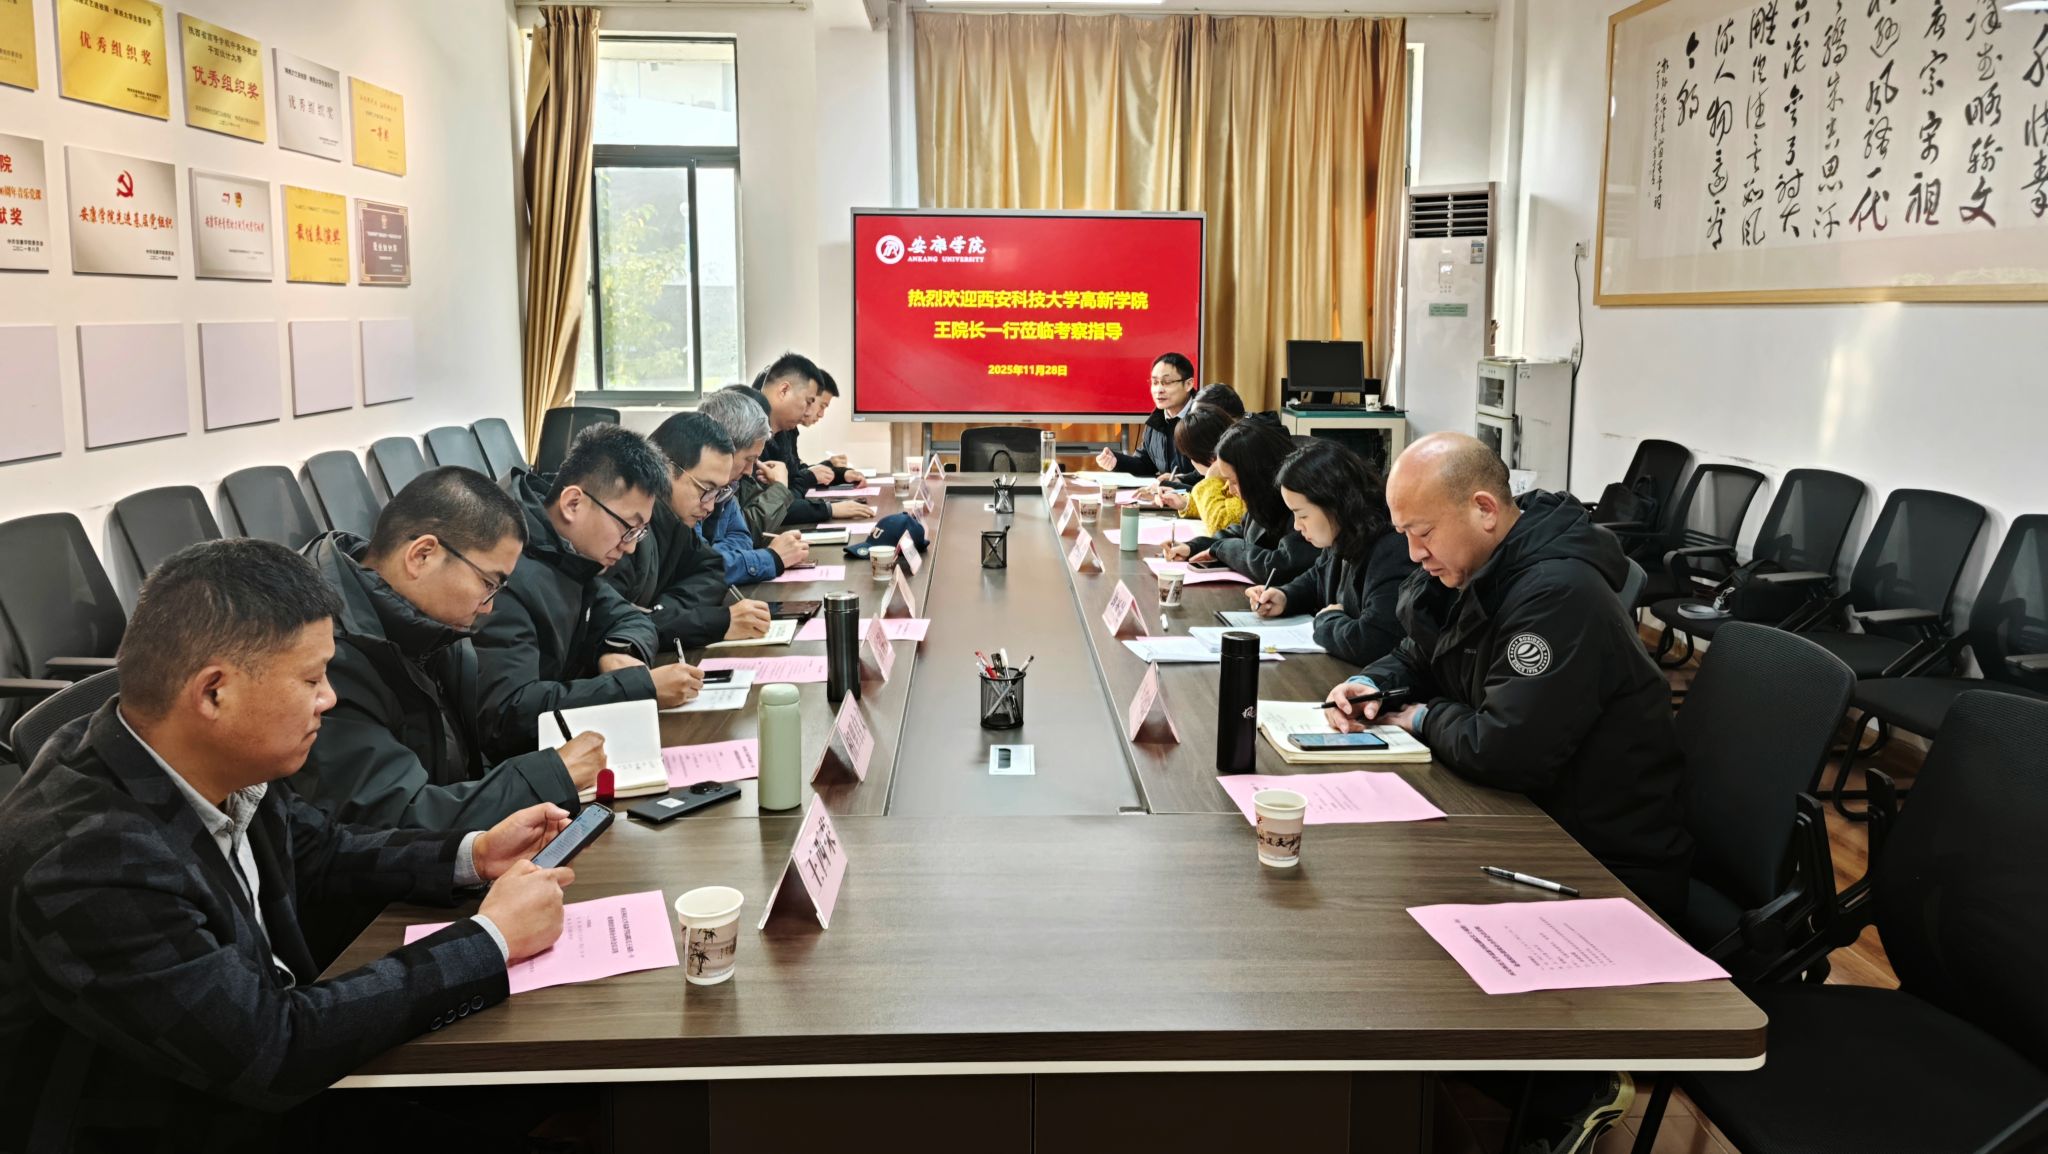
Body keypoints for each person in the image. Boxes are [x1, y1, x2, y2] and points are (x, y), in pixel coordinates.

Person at [0, 539, 575, 1150]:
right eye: (311, 678)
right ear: (214, 692)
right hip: (178, 1121)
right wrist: (489, 941)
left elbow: (319, 849)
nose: (329, 698)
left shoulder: (207, 755)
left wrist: (472, 854)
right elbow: (271, 1051)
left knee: (557, 1090)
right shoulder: (87, 863)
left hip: (262, 1072)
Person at [1324, 433, 1691, 1154]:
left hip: (1598, 854)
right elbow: (1419, 650)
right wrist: (1375, 683)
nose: (1414, 554)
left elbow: (1503, 748)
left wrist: (1419, 717)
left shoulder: (1558, 594)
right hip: (1531, 815)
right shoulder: (1475, 567)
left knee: (1384, 941)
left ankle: (1567, 1089)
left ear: (1485, 510)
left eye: (1422, 533)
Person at [295, 468, 609, 833]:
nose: (489, 607)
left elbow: (463, 770)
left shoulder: (428, 625)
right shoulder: (328, 655)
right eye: (488, 583)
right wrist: (549, 776)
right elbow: (393, 817)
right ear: (422, 555)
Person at [473, 424, 703, 763]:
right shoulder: (506, 572)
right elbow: (509, 713)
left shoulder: (571, 555)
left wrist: (617, 651)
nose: (629, 548)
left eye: (639, 533)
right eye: (629, 528)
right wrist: (638, 688)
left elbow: (629, 617)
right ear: (573, 503)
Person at [607, 410, 776, 648]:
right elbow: (616, 629)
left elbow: (712, 569)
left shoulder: (675, 521)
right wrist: (715, 622)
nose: (710, 506)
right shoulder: (622, 533)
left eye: (718, 492)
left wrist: (665, 609)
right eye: (705, 489)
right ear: (665, 469)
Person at [1244, 441, 1415, 666]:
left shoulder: (1392, 551)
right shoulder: (1344, 534)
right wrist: (1285, 596)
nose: (1296, 526)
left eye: (1303, 515)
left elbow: (1372, 642)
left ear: (1335, 504)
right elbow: (1318, 577)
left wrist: (1327, 619)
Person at [1160, 419, 1318, 586]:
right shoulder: (1263, 496)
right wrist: (1193, 547)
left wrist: (1223, 549)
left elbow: (1278, 567)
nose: (1230, 489)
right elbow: (1241, 532)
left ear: (1255, 476)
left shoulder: (1300, 506)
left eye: (1233, 481)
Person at [700, 387, 809, 582]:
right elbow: (698, 566)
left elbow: (742, 536)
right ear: (723, 446)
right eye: (748, 459)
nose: (749, 471)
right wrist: (771, 558)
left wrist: (719, 554)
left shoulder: (726, 488)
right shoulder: (690, 488)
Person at [751, 354, 872, 526]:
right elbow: (771, 509)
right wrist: (829, 509)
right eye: (809, 402)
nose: (808, 412)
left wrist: (837, 474)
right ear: (784, 391)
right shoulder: (751, 432)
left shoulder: (781, 430)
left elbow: (790, 480)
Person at [1145, 399, 1246, 535]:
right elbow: (1221, 506)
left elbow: (1220, 524)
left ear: (1208, 457)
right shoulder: (1236, 466)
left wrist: (1210, 481)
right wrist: (1185, 503)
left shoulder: (1241, 480)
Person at [1096, 353, 1198, 482]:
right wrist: (1116, 462)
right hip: (1167, 493)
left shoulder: (1205, 419)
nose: (1159, 390)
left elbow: (1215, 471)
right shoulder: (1156, 421)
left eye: (1167, 382)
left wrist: (1181, 480)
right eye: (1155, 382)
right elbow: (1145, 464)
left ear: (1188, 384)